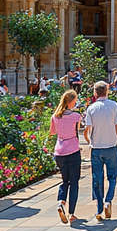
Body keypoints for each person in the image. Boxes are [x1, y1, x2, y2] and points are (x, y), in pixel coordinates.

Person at [84, 81, 117, 222]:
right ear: (107, 91)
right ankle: (108, 200)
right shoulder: (114, 106)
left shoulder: (91, 108)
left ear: (95, 93)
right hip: (111, 146)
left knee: (97, 178)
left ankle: (99, 208)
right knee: (112, 177)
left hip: (96, 148)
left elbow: (88, 128)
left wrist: (90, 141)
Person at [49, 89, 82, 223]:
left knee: (64, 180)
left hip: (60, 152)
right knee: (74, 182)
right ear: (72, 101)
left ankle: (61, 202)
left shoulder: (55, 116)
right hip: (73, 149)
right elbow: (77, 130)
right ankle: (71, 213)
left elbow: (52, 132)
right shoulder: (76, 116)